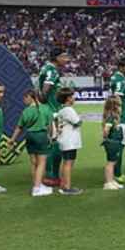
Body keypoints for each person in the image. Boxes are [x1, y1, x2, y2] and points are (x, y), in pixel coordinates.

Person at [9, 89, 51, 196]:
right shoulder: (45, 108)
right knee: (41, 162)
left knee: (34, 162)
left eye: (25, 98)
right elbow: (49, 125)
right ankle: (37, 188)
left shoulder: (26, 111)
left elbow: (19, 127)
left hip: (29, 136)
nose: (24, 100)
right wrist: (50, 136)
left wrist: (12, 139)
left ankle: (36, 185)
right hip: (41, 136)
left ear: (31, 97)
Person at [37, 47, 68, 187]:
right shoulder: (52, 71)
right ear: (56, 57)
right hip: (53, 112)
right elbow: (44, 93)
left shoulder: (46, 69)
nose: (66, 59)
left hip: (49, 111)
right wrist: (49, 108)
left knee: (52, 144)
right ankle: (51, 176)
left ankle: (51, 175)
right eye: (64, 56)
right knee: (55, 145)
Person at [109, 57, 125, 184]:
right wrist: (117, 118)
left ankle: (117, 173)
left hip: (121, 118)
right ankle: (116, 174)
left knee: (119, 147)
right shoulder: (120, 80)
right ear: (121, 67)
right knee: (119, 147)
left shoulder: (118, 78)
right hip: (121, 119)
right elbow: (117, 98)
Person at [54, 88, 83, 196]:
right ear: (68, 98)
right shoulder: (69, 110)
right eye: (72, 96)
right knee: (68, 163)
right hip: (70, 140)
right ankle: (67, 187)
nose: (74, 98)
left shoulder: (62, 110)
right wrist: (80, 118)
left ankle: (63, 185)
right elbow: (78, 122)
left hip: (65, 139)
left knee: (66, 163)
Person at [101, 97, 125, 190]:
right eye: (119, 105)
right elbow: (106, 130)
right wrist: (107, 139)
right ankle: (108, 182)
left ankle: (112, 180)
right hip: (112, 142)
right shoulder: (111, 117)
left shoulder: (115, 117)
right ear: (114, 106)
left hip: (116, 141)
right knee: (110, 163)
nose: (120, 107)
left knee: (113, 161)